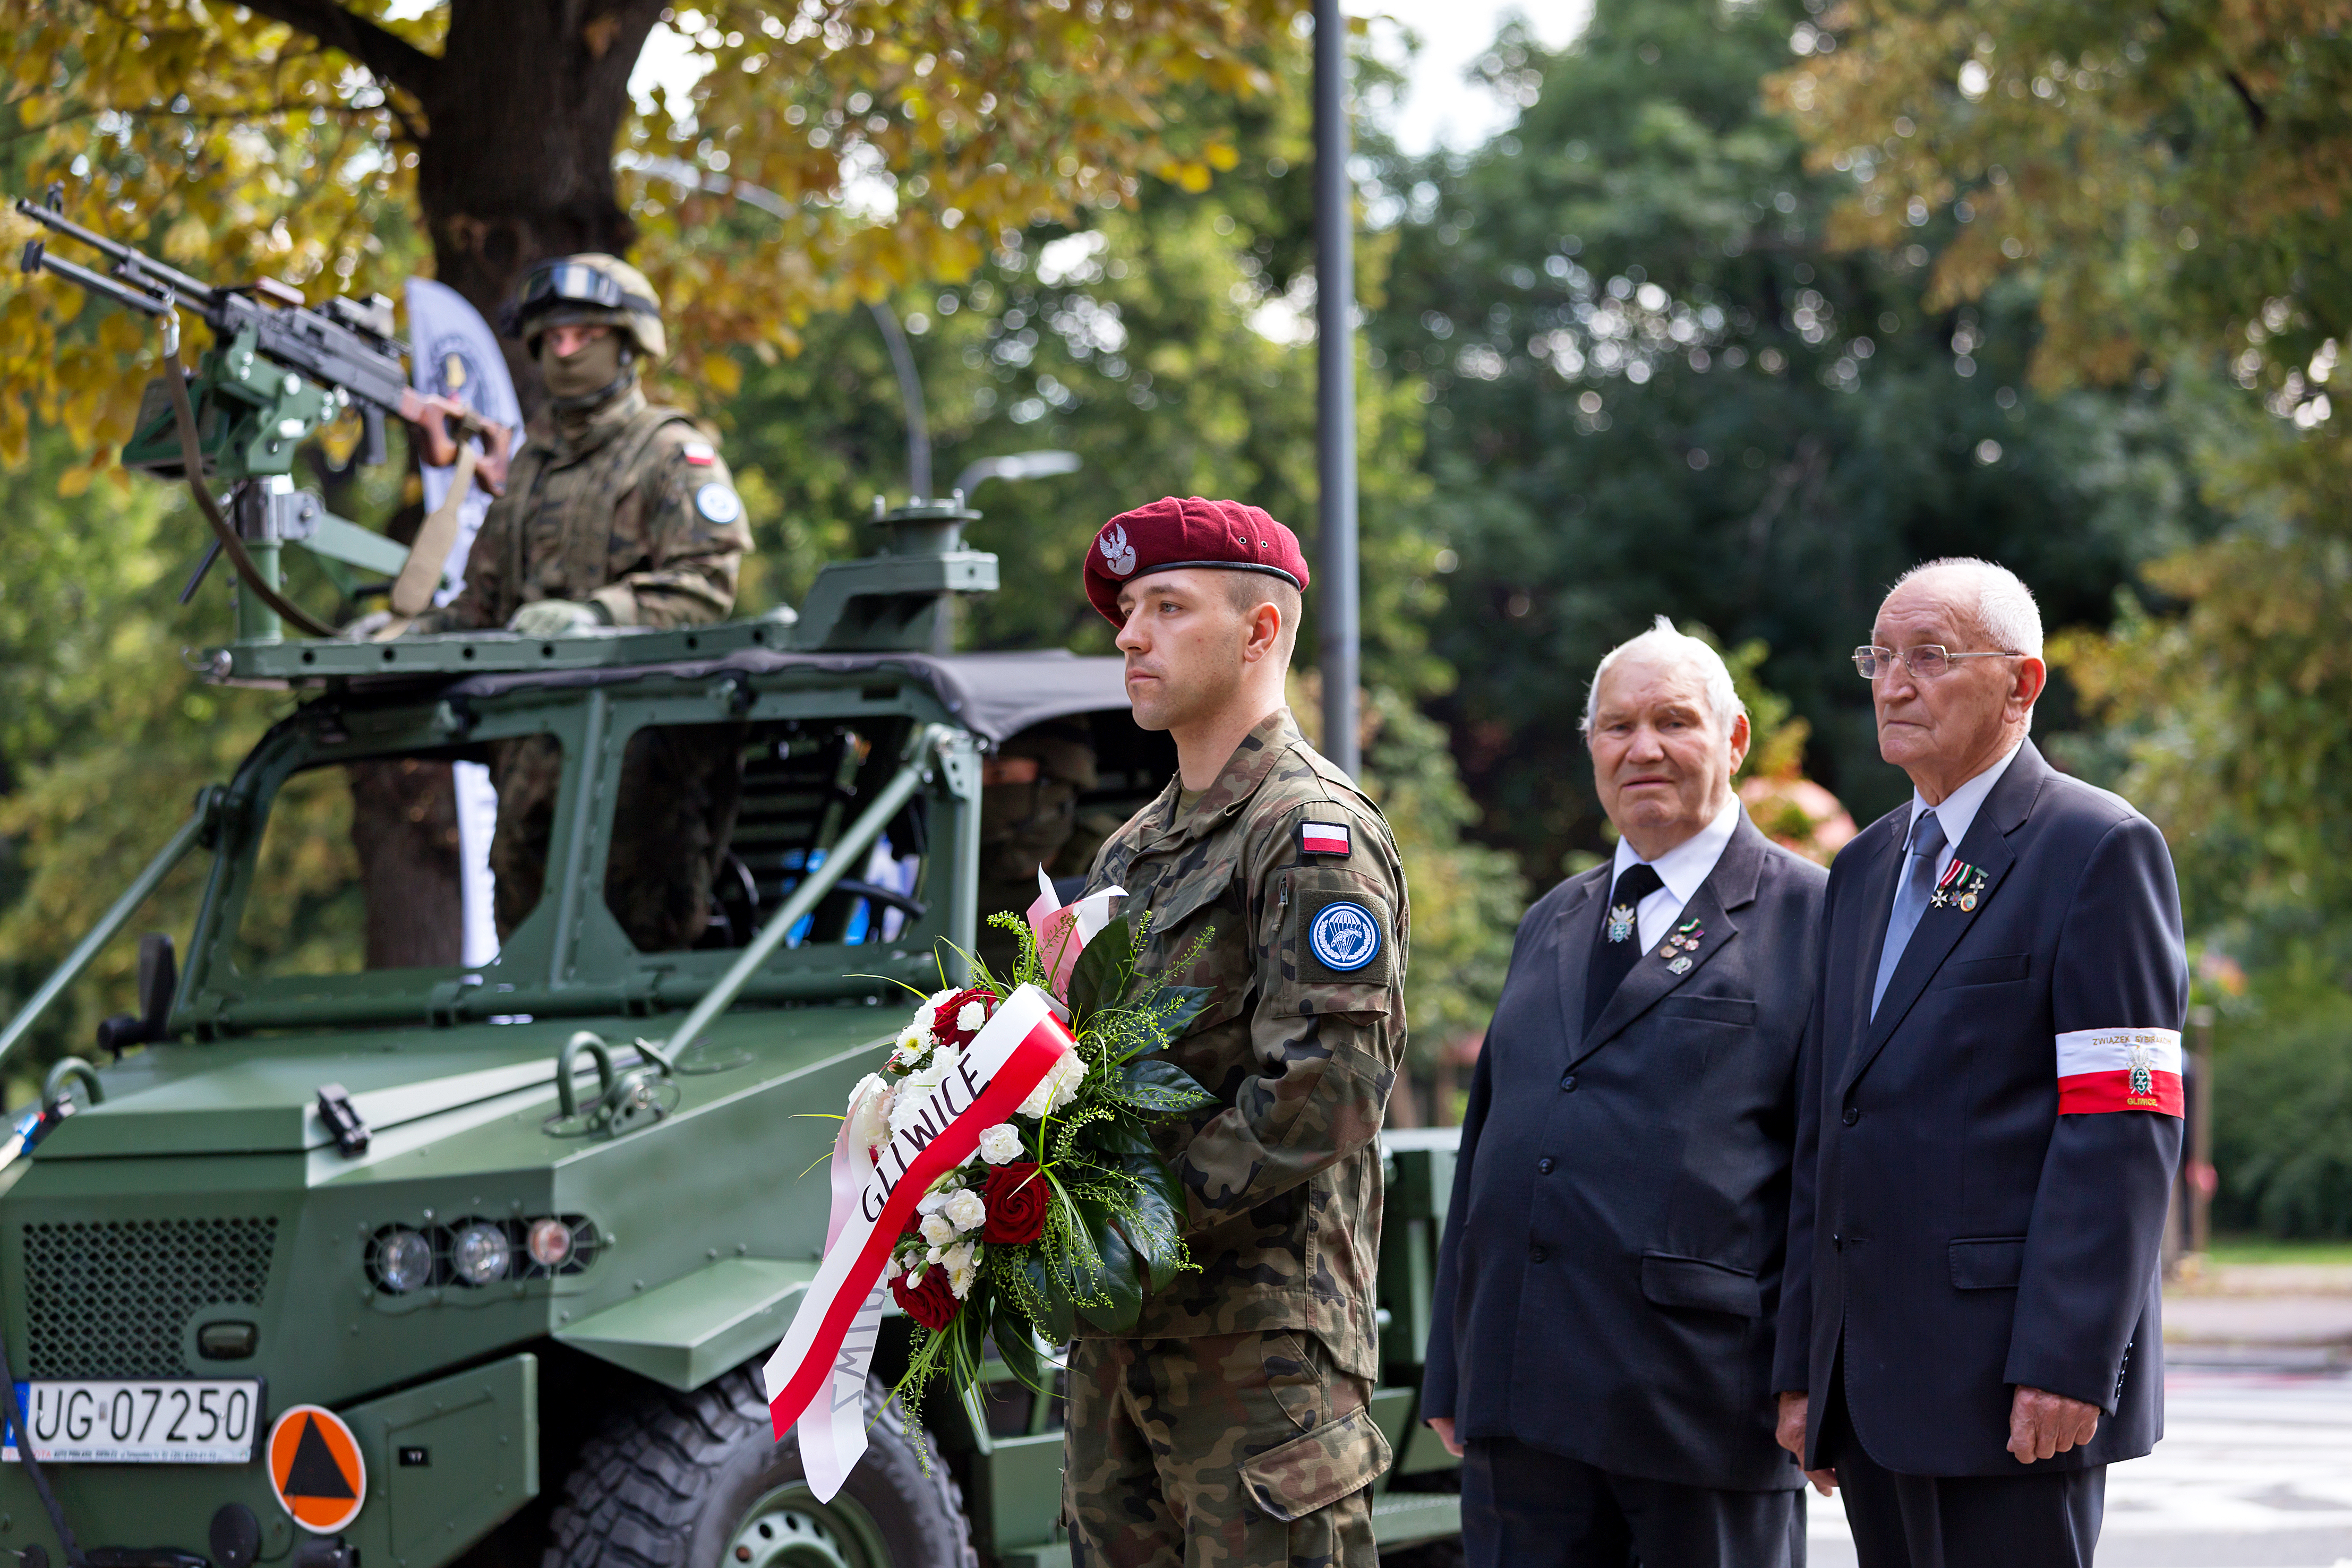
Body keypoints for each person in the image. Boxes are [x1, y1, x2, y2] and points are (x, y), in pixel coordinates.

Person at [1774, 559, 2187, 1567]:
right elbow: (1828, 1124)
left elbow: (2120, 1125)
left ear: (2022, 683)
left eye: (1930, 656)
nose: (1892, 682)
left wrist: (2067, 1359)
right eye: (1880, 656)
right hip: (1870, 1382)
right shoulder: (1865, 865)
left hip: (2011, 1387)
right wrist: (1802, 1364)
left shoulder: (2095, 847)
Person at [1422, 616, 1827, 1568]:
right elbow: (1489, 1146)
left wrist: (1812, 1372)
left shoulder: (1813, 913)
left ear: (1731, 739)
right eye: (1614, 726)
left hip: (1701, 1409)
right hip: (1520, 1403)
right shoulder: (1551, 919)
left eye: (1672, 721)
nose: (1641, 747)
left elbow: (1828, 1172)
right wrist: (1455, 1357)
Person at [1063, 496, 1408, 1568]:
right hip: (1122, 1351)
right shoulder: (1131, 853)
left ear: (1260, 632)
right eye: (1127, 610)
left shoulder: (1313, 834)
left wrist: (1136, 1225)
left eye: (1166, 606)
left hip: (1259, 1356)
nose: (1130, 635)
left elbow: (1327, 1086)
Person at [420, 254, 755, 950]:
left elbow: (707, 584)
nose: (565, 350)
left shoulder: (669, 455)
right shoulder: (528, 474)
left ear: (628, 342)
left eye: (585, 334)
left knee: (643, 955)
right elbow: (477, 608)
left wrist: (603, 614)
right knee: (529, 951)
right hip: (527, 768)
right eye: (551, 337)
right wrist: (396, 633)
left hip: (640, 769)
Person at [973, 719, 1098, 976]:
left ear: (1054, 780)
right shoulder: (951, 869)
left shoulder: (1114, 864)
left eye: (999, 774)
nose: (982, 791)